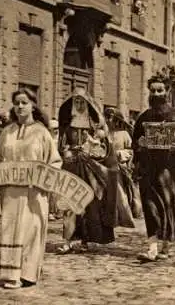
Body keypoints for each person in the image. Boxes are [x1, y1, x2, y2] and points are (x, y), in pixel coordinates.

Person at [0, 87, 62, 289]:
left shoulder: (42, 132)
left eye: (24, 103)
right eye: (17, 103)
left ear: (33, 105)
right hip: (10, 190)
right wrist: (0, 173)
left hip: (35, 191)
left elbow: (55, 161)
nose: (20, 107)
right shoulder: (7, 132)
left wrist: (41, 179)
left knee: (32, 229)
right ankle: (10, 273)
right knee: (10, 229)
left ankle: (29, 274)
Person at [132, 74, 175, 262]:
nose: (156, 93)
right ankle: (152, 248)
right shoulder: (144, 117)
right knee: (150, 208)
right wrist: (140, 143)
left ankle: (166, 245)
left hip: (170, 172)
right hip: (149, 170)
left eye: (160, 90)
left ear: (167, 91)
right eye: (153, 90)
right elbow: (135, 140)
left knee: (169, 208)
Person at [56, 88, 121, 254]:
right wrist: (66, 151)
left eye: (81, 102)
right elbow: (61, 146)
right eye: (75, 101)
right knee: (69, 204)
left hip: (89, 168)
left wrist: (93, 146)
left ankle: (85, 240)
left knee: (88, 205)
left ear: (87, 104)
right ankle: (67, 241)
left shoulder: (94, 127)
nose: (78, 105)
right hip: (71, 167)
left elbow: (104, 149)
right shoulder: (67, 126)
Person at [105, 107, 142, 219]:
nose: (107, 120)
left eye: (110, 117)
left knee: (122, 191)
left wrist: (119, 154)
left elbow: (131, 150)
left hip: (120, 166)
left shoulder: (124, 134)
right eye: (106, 117)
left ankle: (125, 213)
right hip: (107, 166)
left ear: (116, 119)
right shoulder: (106, 134)